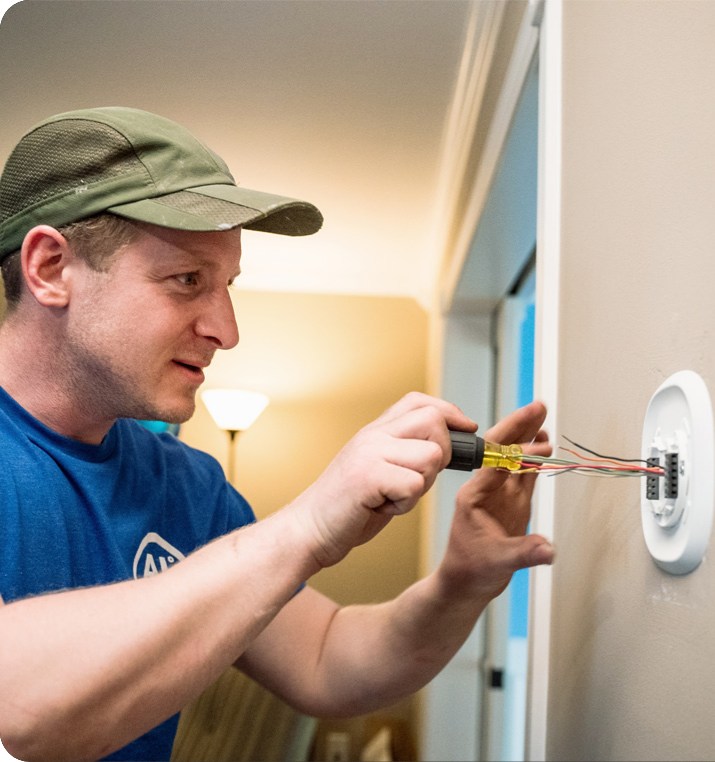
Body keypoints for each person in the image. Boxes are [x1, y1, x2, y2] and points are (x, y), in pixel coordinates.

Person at [0, 107, 554, 762]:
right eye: (187, 281)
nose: (227, 332)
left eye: (227, 286)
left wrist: (461, 583)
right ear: (50, 268)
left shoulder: (189, 486)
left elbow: (327, 659)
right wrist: (307, 525)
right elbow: (16, 709)